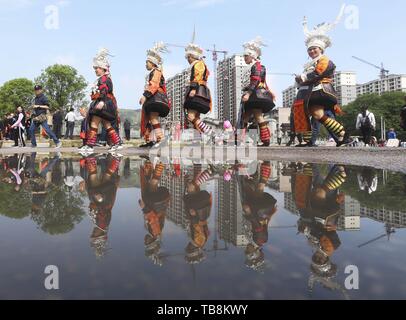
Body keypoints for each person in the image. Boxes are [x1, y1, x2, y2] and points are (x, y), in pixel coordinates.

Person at [293, 13, 352, 147]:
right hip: (310, 92)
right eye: (309, 49)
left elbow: (320, 71)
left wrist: (303, 77)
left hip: (320, 91)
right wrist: (299, 78)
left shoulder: (324, 59)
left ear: (321, 49)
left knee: (316, 114)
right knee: (315, 114)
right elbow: (307, 77)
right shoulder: (309, 64)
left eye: (314, 49)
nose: (312, 51)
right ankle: (339, 135)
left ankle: (342, 134)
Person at [79, 48, 122, 153]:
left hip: (103, 103)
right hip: (105, 104)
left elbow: (104, 90)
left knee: (94, 124)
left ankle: (90, 145)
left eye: (97, 68)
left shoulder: (103, 79)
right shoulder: (105, 78)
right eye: (95, 68)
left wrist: (102, 101)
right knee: (107, 125)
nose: (96, 70)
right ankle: (117, 143)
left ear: (103, 69)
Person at [239, 37, 276, 147]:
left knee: (256, 116)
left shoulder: (257, 66)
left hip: (255, 95)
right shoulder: (253, 66)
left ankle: (265, 139)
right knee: (246, 117)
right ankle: (240, 139)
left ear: (252, 55)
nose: (244, 57)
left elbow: (256, 80)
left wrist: (248, 93)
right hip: (253, 94)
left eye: (246, 55)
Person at [139, 42, 171, 148]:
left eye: (147, 62)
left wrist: (145, 95)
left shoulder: (156, 71)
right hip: (151, 98)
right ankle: (150, 140)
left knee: (153, 118)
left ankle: (161, 139)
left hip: (155, 98)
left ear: (153, 63)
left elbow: (154, 85)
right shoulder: (152, 72)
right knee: (149, 119)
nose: (145, 64)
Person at [183, 32, 213, 138]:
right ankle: (200, 138)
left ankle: (211, 134)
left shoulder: (198, 64)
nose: (187, 60)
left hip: (197, 92)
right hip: (198, 92)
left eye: (188, 57)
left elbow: (198, 76)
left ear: (191, 56)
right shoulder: (198, 63)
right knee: (195, 117)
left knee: (191, 117)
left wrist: (193, 89)